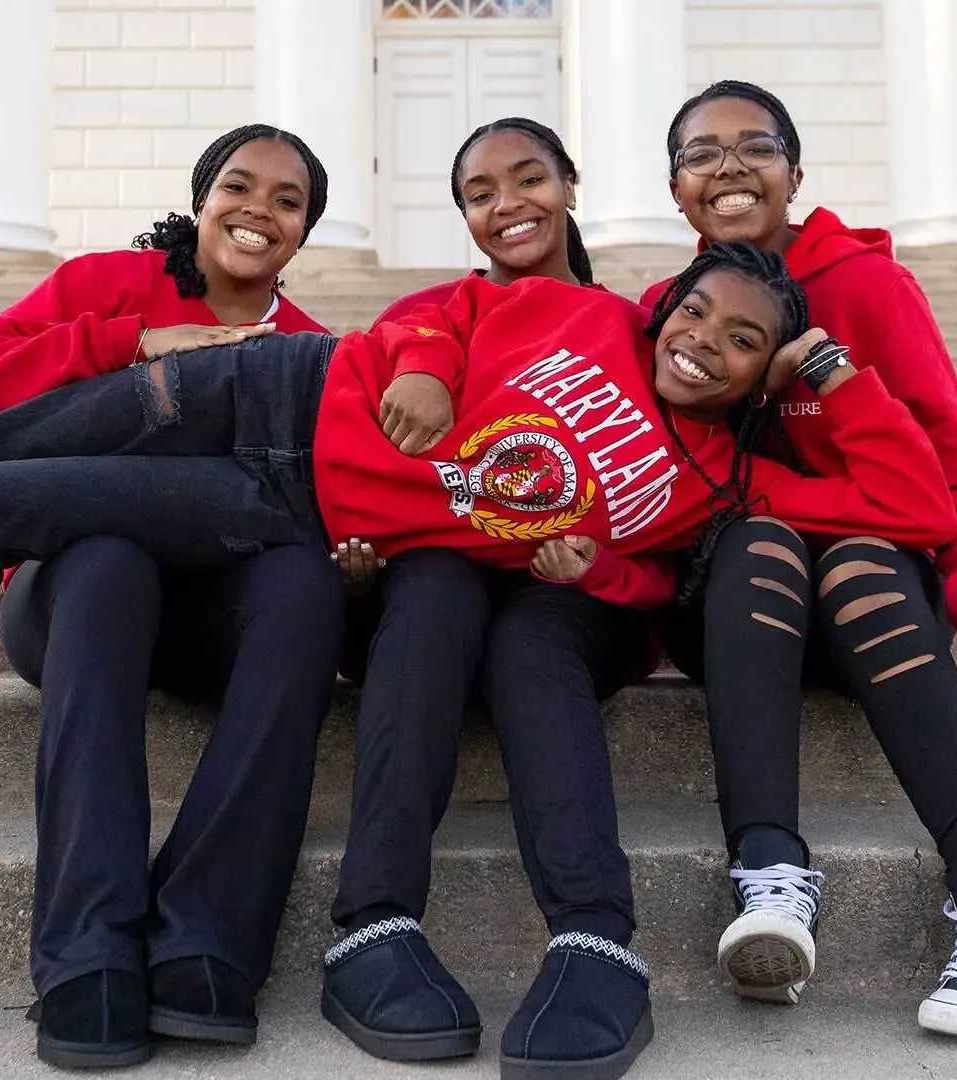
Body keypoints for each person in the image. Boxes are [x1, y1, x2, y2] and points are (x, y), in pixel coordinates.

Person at [0, 243, 955, 1077]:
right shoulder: (576, 309)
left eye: (746, 337)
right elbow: (440, 313)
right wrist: (424, 365)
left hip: (277, 509)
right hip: (254, 392)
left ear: (772, 367)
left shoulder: (707, 489)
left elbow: (907, 507)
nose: (703, 338)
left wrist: (814, 391)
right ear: (663, 301)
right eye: (697, 309)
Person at [641, 80, 957, 1042]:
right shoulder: (679, 314)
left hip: (879, 611)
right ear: (675, 190)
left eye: (756, 147)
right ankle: (771, 879)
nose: (730, 168)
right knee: (758, 542)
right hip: (745, 613)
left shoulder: (870, 290)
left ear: (795, 171)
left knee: (860, 555)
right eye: (702, 154)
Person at [0, 127, 339, 1068]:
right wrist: (139, 343)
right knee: (112, 553)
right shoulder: (107, 286)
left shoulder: (312, 352)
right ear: (201, 200)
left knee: (300, 579)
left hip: (208, 625)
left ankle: (209, 934)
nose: (259, 211)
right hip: (77, 603)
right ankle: (88, 948)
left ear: (305, 231)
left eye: (288, 202)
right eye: (238, 188)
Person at [318, 118, 656, 1076]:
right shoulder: (442, 309)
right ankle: (370, 928)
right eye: (479, 192)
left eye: (528, 179)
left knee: (530, 643)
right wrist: (426, 367)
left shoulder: (633, 325)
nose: (507, 205)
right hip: (447, 589)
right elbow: (412, 341)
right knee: (431, 589)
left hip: (581, 597)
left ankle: (596, 942)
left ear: (572, 186)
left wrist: (598, 564)